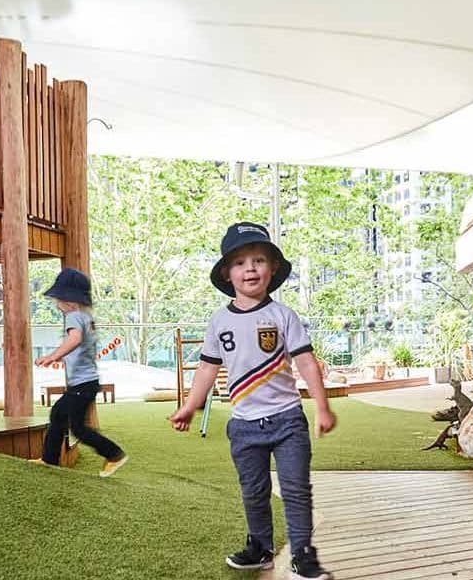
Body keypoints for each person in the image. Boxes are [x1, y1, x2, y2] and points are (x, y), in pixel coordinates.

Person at [168, 222, 336, 580]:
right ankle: (259, 548)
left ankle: (303, 554)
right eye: (240, 262)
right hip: (243, 426)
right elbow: (206, 371)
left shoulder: (283, 316)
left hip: (288, 420)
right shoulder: (218, 322)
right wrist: (189, 405)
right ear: (227, 273)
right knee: (254, 491)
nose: (250, 268)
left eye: (259, 260)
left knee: (294, 489)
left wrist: (322, 405)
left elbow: (306, 361)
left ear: (272, 269)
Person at [31, 268, 129, 478]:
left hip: (82, 384)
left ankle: (114, 454)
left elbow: (74, 339)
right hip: (87, 382)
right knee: (60, 416)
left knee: (77, 427)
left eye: (58, 299)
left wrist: (52, 356)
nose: (56, 304)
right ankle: (49, 459)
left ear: (69, 300)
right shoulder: (86, 316)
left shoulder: (74, 316)